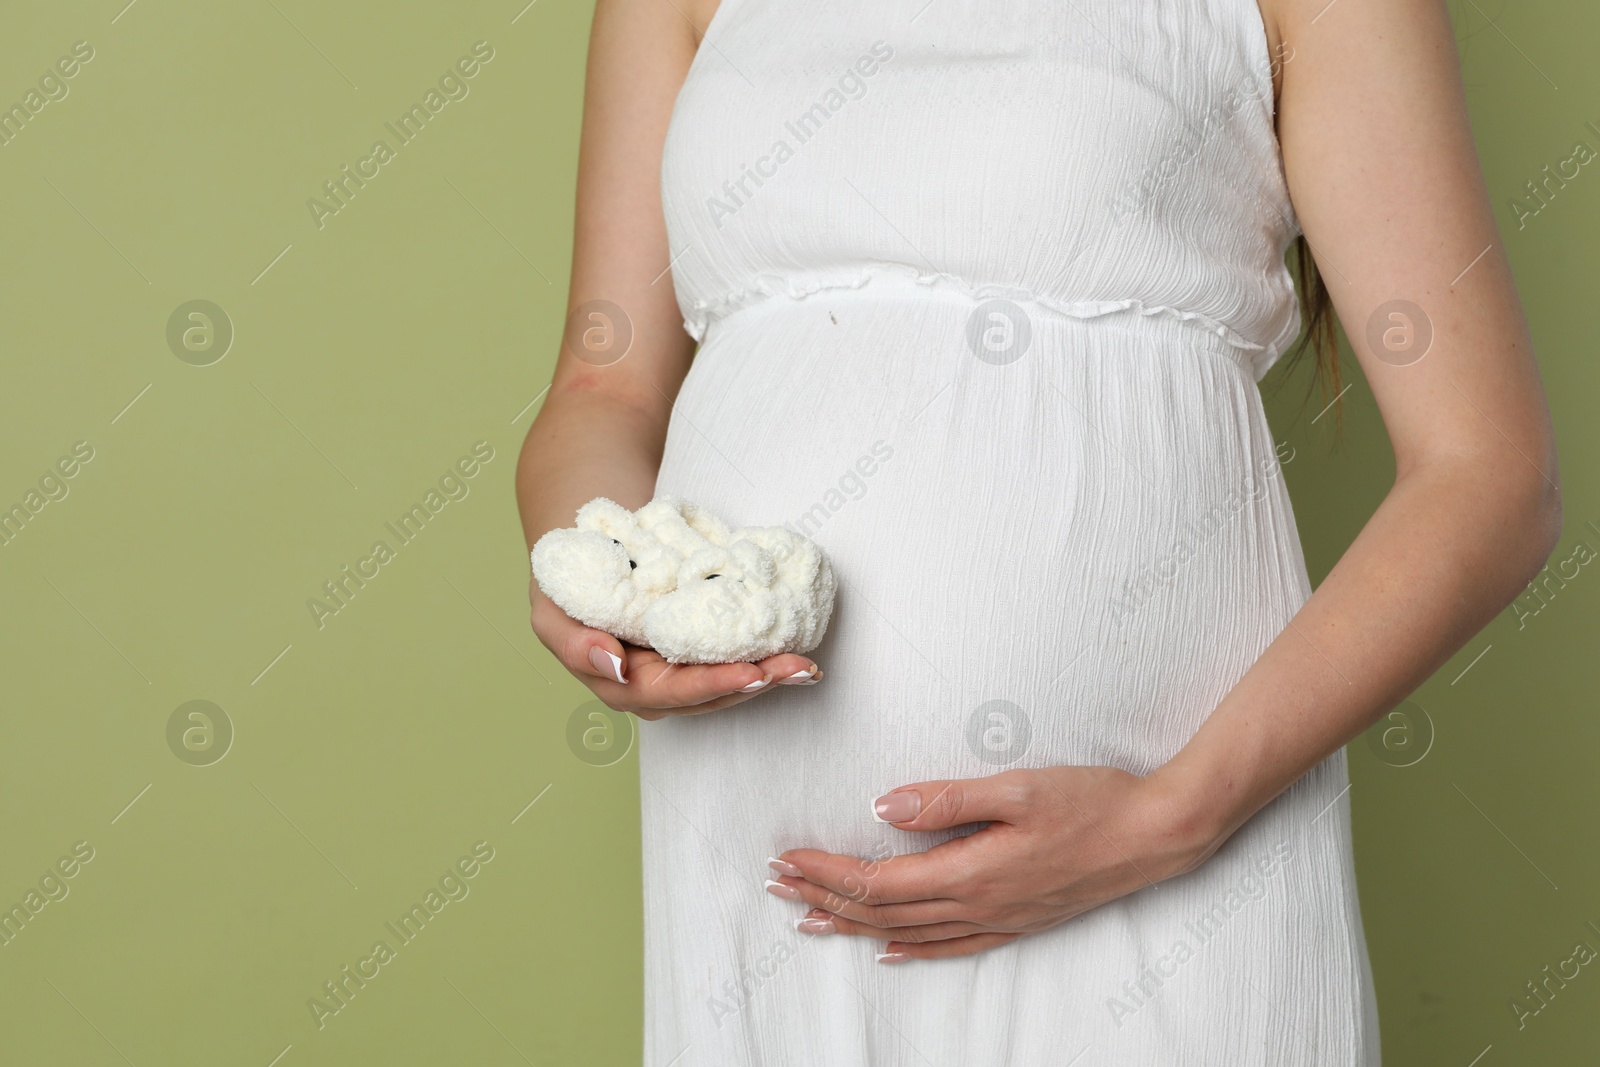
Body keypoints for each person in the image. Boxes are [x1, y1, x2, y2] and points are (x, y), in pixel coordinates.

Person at [516, 0, 1560, 1062]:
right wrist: (602, 578)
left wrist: (1169, 820)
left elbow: (1487, 475)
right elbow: (602, 391)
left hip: (1165, 871)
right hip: (767, 895)